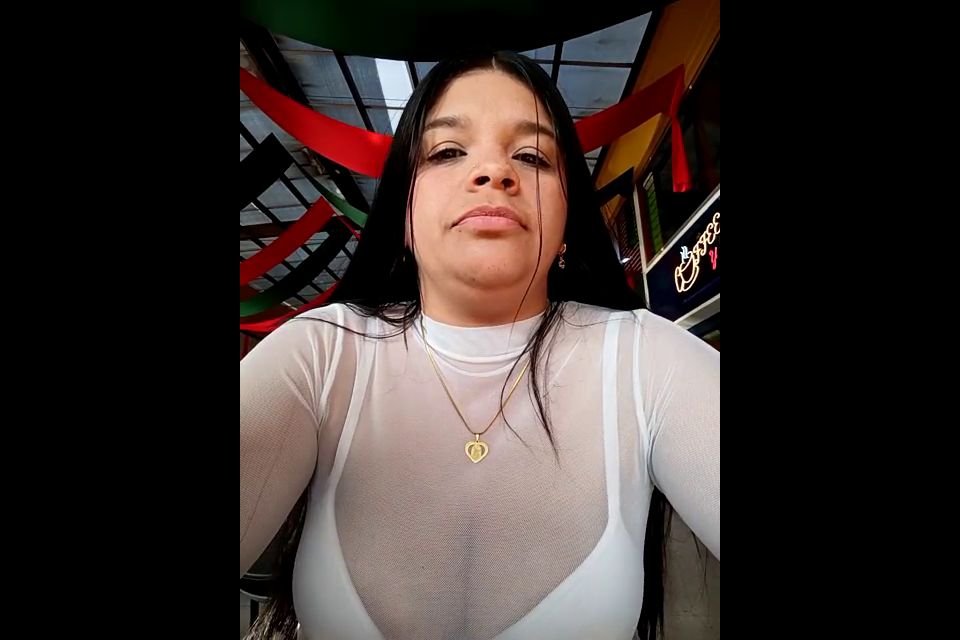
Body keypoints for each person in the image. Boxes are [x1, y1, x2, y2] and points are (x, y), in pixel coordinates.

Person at [241, 50, 719, 640]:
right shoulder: (322, 355)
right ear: (403, 214)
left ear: (567, 219)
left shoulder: (646, 359)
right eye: (447, 152)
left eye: (532, 156)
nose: (494, 171)